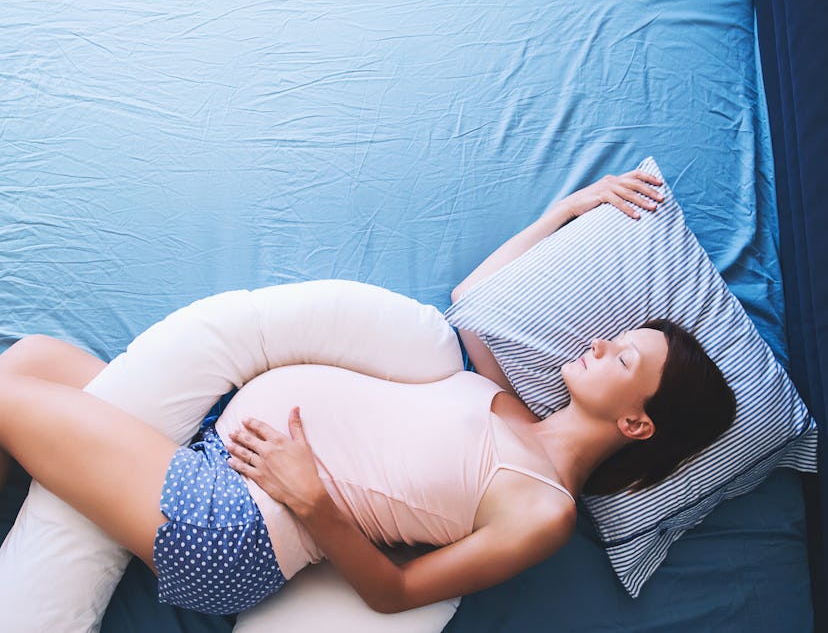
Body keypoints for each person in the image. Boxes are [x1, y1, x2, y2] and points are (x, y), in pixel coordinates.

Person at [0, 170, 736, 616]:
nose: (602, 342)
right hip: (210, 450)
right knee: (30, 359)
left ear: (637, 423)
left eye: (625, 355)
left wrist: (311, 497)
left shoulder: (543, 510)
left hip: (235, 529)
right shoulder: (510, 405)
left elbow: (394, 592)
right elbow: (476, 299)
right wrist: (565, 212)